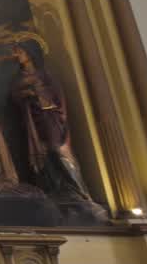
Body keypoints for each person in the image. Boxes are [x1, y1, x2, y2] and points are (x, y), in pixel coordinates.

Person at [10, 39, 90, 200]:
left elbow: (56, 96)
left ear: (31, 54)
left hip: (50, 120)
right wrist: (24, 93)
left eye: (20, 52)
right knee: (43, 156)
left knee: (57, 150)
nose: (17, 55)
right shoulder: (20, 76)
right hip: (33, 122)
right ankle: (53, 191)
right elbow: (14, 96)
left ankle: (78, 191)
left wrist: (36, 93)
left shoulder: (45, 75)